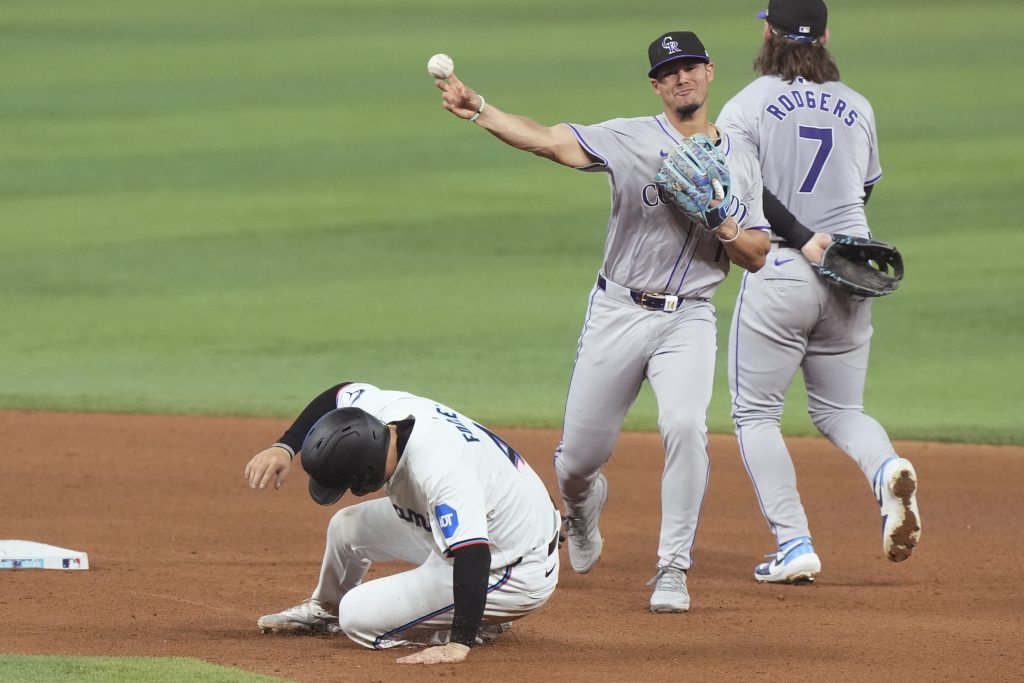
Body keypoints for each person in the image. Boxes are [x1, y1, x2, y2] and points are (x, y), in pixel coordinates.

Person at [434, 30, 770, 612]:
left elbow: (758, 254)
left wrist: (721, 220)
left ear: (710, 73)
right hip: (617, 310)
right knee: (576, 461)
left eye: (690, 67)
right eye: (669, 73)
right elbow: (546, 140)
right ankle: (582, 506)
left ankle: (672, 569)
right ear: (656, 86)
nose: (682, 78)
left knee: (685, 425)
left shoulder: (741, 155)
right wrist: (480, 111)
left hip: (689, 317)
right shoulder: (631, 138)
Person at [716, 0, 921, 584]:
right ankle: (886, 471)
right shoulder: (858, 107)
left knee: (755, 414)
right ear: (826, 37)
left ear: (767, 33)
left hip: (782, 270)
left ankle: (794, 543)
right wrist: (832, 249)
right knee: (841, 410)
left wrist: (804, 239)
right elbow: (861, 193)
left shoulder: (747, 105)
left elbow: (747, 193)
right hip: (853, 275)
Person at [244, 382, 561, 664]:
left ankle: (481, 620)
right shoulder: (383, 416)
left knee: (357, 617)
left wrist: (458, 642)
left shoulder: (440, 472)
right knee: (347, 526)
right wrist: (284, 447)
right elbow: (339, 392)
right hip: (500, 523)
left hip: (509, 567)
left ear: (366, 473)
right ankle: (325, 612)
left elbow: (474, 554)